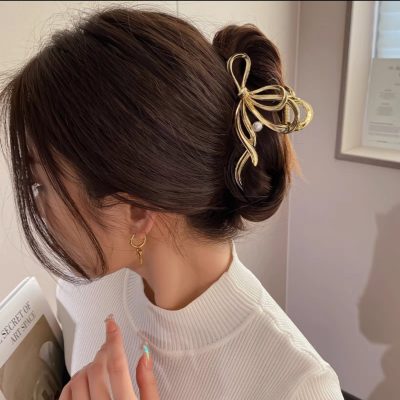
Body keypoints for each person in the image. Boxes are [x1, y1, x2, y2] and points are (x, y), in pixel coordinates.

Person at [0, 4, 345, 399]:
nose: (39, 209)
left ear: (136, 209)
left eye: (40, 185)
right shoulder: (83, 294)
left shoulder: (300, 387)